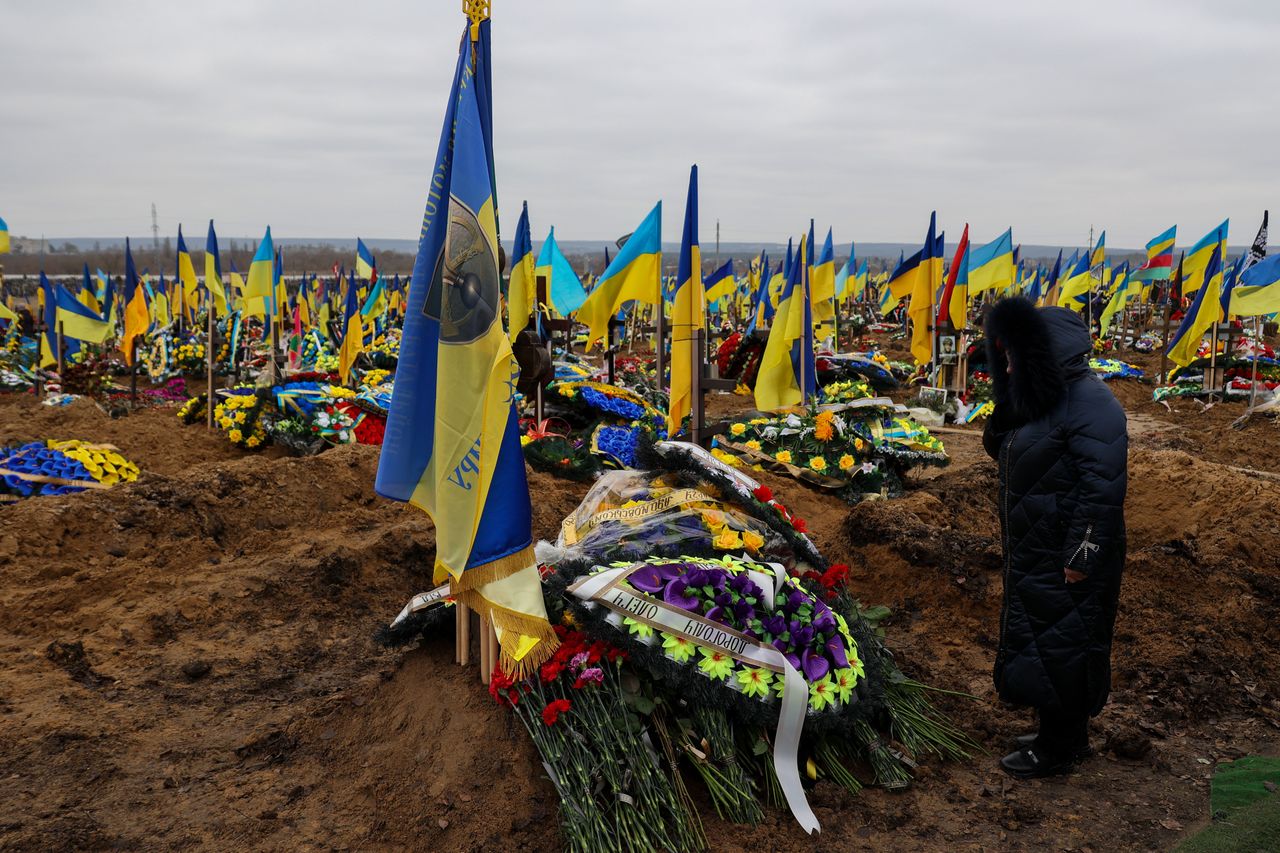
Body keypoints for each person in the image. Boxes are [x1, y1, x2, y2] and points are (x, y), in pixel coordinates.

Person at [981, 296, 1128, 779]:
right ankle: (1058, 732)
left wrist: (1082, 554)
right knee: (1046, 640)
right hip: (1039, 546)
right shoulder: (1047, 398)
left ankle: (1060, 746)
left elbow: (1102, 490)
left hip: (1068, 553)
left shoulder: (1091, 404)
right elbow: (1010, 449)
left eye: (1013, 353)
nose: (1005, 361)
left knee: (1066, 643)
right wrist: (1007, 406)